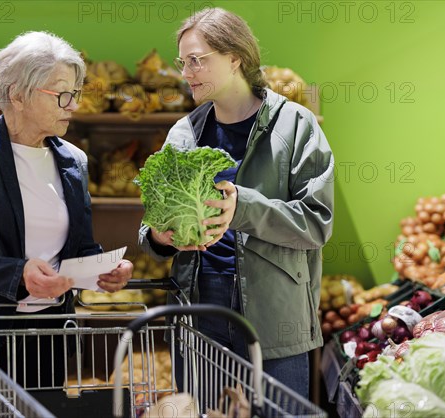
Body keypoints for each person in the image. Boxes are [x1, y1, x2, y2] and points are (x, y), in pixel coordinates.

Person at [0, 31, 133, 387]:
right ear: (17, 93)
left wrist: (104, 269)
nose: (73, 105)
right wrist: (18, 275)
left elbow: (79, 248)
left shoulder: (73, 160)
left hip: (50, 335)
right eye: (62, 94)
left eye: (75, 94)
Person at [138, 8, 334, 399]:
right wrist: (159, 237)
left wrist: (242, 206)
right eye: (183, 62)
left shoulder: (296, 125)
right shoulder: (185, 131)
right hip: (198, 313)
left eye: (197, 60)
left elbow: (316, 223)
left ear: (234, 58)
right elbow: (152, 222)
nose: (186, 72)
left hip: (275, 315)